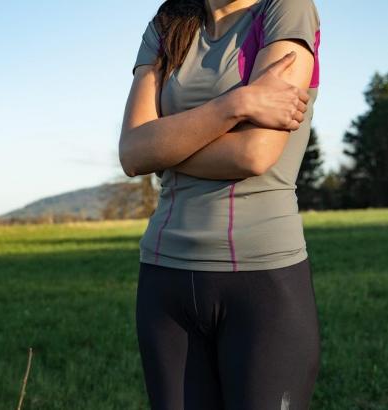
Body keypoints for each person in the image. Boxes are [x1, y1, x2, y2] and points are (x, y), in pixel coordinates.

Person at [119, 0, 321, 408]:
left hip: (261, 280)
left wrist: (164, 150)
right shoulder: (167, 22)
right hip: (164, 277)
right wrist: (237, 104)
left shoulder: (287, 8)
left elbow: (254, 154)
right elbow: (131, 152)